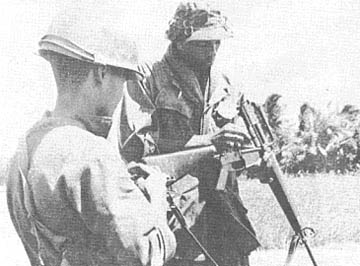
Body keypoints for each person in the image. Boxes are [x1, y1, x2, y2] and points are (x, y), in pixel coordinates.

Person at [6, 9, 176, 266]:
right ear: (101, 73)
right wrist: (157, 199)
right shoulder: (89, 151)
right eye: (122, 82)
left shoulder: (26, 147)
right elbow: (148, 254)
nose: (121, 95)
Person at [108, 2, 260, 266]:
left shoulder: (224, 85)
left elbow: (234, 157)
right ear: (179, 40)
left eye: (217, 42)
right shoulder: (147, 78)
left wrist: (252, 159)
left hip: (225, 216)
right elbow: (136, 148)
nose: (212, 50)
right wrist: (209, 143)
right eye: (203, 43)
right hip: (173, 217)